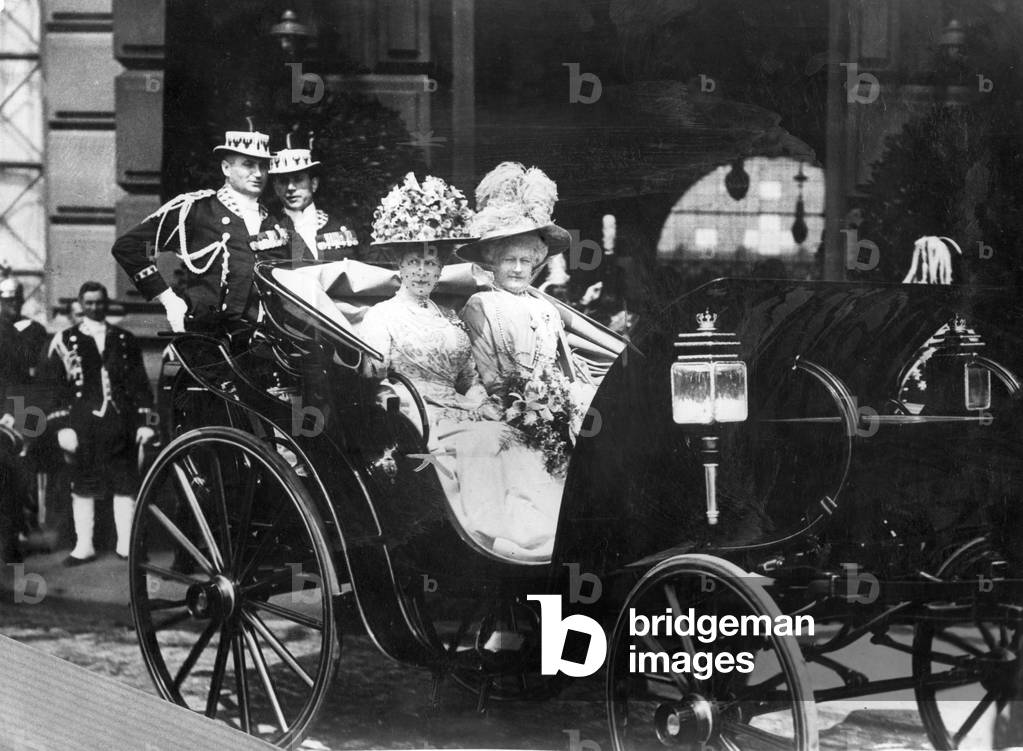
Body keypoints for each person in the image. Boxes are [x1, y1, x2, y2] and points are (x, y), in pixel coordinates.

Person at [360, 174, 562, 558]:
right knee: (483, 441)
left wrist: (482, 400)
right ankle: (491, 532)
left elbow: (469, 377)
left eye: (430, 263)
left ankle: (535, 533)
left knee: (511, 436)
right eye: (414, 262)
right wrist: (384, 381)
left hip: (458, 407)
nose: (423, 272)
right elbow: (375, 378)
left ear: (440, 270)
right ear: (399, 266)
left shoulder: (450, 317)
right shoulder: (381, 316)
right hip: (413, 413)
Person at [112, 123, 291, 333]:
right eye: (248, 165)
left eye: (263, 166)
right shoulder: (197, 211)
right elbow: (133, 247)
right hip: (208, 339)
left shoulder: (273, 222)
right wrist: (168, 299)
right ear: (226, 168)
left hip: (261, 341)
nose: (258, 173)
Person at [457, 162, 594, 412]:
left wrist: (561, 403)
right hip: (503, 410)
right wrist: (527, 408)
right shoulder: (481, 305)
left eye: (525, 261)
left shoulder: (545, 307)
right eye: (509, 260)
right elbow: (488, 378)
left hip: (552, 409)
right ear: (493, 262)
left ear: (535, 264)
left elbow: (557, 369)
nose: (518, 269)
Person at [47, 282, 156, 565]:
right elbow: (54, 389)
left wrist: (146, 422)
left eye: (99, 302)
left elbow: (141, 385)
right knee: (84, 483)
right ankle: (84, 546)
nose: (94, 307)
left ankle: (126, 546)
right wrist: (62, 427)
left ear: (106, 304)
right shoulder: (64, 340)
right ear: (81, 305)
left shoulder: (124, 339)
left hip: (121, 422)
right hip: (83, 424)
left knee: (125, 483)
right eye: (89, 303)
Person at [0, 272, 48, 562]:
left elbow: (38, 380)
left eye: (14, 299)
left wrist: (23, 419)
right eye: (5, 300)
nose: (10, 305)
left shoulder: (35, 331)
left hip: (21, 407)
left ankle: (13, 538)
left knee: (17, 476)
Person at [270, 136, 358, 263]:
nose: (290, 187)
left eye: (298, 179)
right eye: (283, 181)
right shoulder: (270, 228)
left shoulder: (340, 226)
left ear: (314, 184)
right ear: (276, 188)